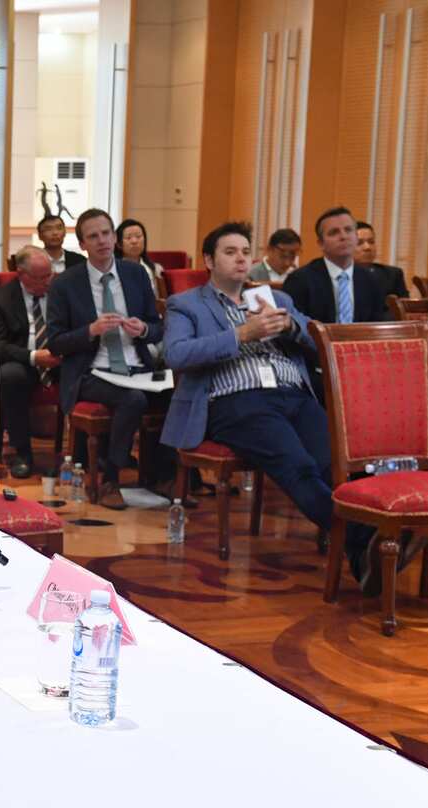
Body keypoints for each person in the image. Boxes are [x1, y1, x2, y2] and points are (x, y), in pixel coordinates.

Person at [162, 221, 384, 593]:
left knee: (336, 465)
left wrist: (293, 329)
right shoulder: (186, 305)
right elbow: (176, 354)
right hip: (237, 401)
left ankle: (365, 547)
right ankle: (364, 541)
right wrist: (240, 335)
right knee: (297, 466)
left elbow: (322, 341)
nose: (240, 260)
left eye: (245, 252)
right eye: (230, 252)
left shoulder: (274, 299)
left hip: (293, 395)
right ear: (209, 260)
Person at [46, 207, 170, 510]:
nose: (101, 241)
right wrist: (91, 330)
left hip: (137, 364)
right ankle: (110, 479)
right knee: (134, 400)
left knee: (178, 393)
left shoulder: (135, 273)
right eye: (93, 236)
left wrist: (142, 329)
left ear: (114, 237)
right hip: (92, 371)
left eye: (106, 233)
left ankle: (166, 478)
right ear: (83, 244)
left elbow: (157, 327)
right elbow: (56, 343)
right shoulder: (65, 284)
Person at [282, 206, 389, 397]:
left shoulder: (372, 280)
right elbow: (294, 333)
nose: (343, 236)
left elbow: (377, 325)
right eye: (334, 232)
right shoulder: (301, 280)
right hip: (317, 367)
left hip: (361, 367)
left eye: (348, 230)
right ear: (321, 243)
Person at [0, 245, 62, 478]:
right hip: (24, 360)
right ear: (21, 274)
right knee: (9, 376)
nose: (46, 282)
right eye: (40, 277)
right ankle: (22, 453)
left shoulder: (61, 291)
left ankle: (74, 457)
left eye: (49, 275)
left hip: (60, 358)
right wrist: (33, 356)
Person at [354, 220, 408, 299]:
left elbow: (404, 308)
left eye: (371, 242)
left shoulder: (392, 275)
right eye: (359, 243)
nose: (367, 247)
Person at [114, 218, 164, 296]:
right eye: (128, 238)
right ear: (119, 244)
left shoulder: (155, 269)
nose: (134, 241)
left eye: (138, 236)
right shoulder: (113, 268)